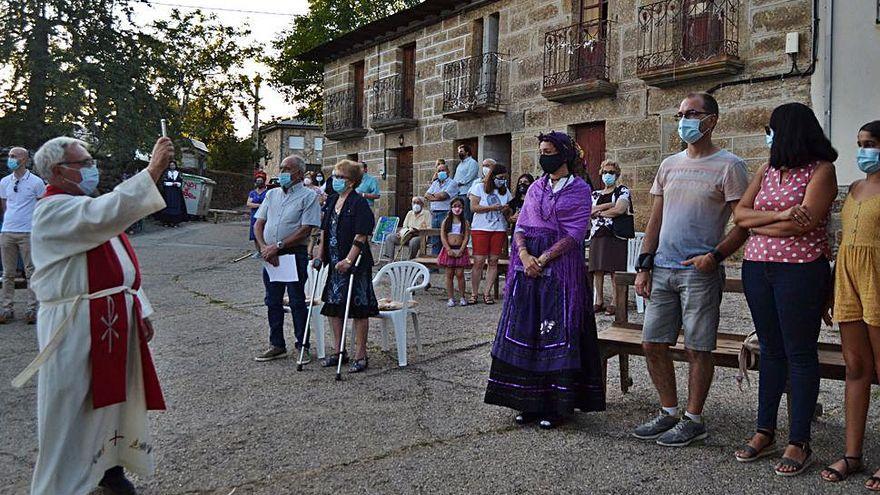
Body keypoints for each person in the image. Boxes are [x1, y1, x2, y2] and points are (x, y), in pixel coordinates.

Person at [22, 136, 173, 495]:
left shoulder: (83, 206)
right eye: (84, 162)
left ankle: (108, 468)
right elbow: (106, 212)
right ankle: (62, 485)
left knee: (113, 400)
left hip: (109, 316)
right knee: (74, 405)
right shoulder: (54, 210)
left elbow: (120, 269)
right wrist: (151, 172)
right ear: (59, 171)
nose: (92, 168)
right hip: (74, 324)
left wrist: (141, 308)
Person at [632, 92, 750, 447]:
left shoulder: (730, 165)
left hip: (699, 272)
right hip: (663, 268)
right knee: (652, 343)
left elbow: (742, 223)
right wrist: (644, 263)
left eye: (692, 113)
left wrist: (714, 256)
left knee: (698, 348)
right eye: (681, 113)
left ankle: (693, 418)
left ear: (711, 120)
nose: (684, 120)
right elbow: (655, 217)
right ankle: (668, 411)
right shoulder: (669, 164)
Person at [731, 103, 838, 476]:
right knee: (771, 350)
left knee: (800, 353)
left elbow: (804, 226)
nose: (767, 134)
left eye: (771, 128)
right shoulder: (766, 170)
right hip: (758, 269)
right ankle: (765, 431)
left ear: (789, 131)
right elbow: (739, 216)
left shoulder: (821, 171)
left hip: (800, 272)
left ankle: (799, 440)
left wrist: (760, 225)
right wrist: (778, 217)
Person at [484, 130, 605, 429]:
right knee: (528, 331)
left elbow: (575, 233)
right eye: (541, 150)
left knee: (555, 331)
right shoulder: (536, 187)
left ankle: (557, 406)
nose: (544, 156)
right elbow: (522, 224)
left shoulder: (579, 189)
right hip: (528, 269)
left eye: (549, 151)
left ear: (563, 155)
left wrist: (544, 258)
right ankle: (527, 401)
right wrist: (524, 255)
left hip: (561, 269)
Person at [820, 120, 880, 488]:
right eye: (860, 142)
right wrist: (830, 290)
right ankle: (852, 454)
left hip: (877, 279)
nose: (863, 150)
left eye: (870, 143)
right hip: (849, 279)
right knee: (855, 366)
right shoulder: (855, 187)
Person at [252, 155, 321, 363]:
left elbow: (306, 229)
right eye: (281, 168)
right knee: (272, 300)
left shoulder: (308, 196)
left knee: (297, 300)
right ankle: (277, 344)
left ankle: (303, 345)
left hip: (293, 254)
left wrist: (278, 246)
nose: (282, 172)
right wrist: (265, 248)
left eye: (286, 169)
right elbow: (258, 224)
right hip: (270, 255)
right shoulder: (272, 194)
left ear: (299, 173)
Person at [314, 160, 379, 373]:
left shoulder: (358, 203)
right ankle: (339, 350)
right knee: (334, 307)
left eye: (339, 176)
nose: (335, 179)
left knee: (359, 309)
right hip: (334, 263)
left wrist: (349, 260)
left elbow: (361, 235)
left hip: (355, 265)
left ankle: (361, 354)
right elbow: (324, 230)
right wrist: (319, 254)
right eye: (334, 175)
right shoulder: (332, 200)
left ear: (350, 182)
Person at [1, 147, 45, 324]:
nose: (11, 159)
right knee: (7, 273)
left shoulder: (36, 182)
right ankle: (6, 309)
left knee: (31, 272)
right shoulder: (4, 182)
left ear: (25, 160)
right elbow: (5, 206)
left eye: (15, 156)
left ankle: (31, 309)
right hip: (7, 231)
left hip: (28, 232)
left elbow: (42, 206)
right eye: (10, 156)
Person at [589, 160, 632, 316]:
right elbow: (588, 210)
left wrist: (599, 212)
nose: (608, 175)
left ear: (617, 174)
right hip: (597, 234)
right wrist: (608, 205)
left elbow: (620, 209)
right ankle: (598, 301)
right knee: (597, 269)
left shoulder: (623, 190)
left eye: (612, 172)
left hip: (615, 234)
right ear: (601, 173)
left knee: (615, 269)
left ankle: (615, 301)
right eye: (605, 172)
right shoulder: (595, 194)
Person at [468, 160, 511, 305]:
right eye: (500, 177)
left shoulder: (505, 191)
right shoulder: (479, 187)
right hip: (481, 228)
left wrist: (507, 212)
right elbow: (473, 207)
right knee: (479, 261)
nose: (502, 180)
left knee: (493, 261)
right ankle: (474, 293)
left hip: (498, 228)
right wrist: (491, 208)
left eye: (504, 178)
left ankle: (487, 293)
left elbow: (508, 210)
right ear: (493, 177)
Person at [438, 197, 471, 307]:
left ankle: (462, 296)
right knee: (449, 274)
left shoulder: (464, 222)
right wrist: (448, 249)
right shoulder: (446, 221)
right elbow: (443, 236)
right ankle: (450, 298)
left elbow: (466, 236)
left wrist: (462, 249)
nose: (457, 209)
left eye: (459, 206)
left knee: (460, 274)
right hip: (449, 250)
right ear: (451, 207)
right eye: (455, 206)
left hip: (459, 249)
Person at [381, 196, 430, 260]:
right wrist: (401, 233)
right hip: (406, 235)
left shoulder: (427, 213)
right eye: (414, 203)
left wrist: (416, 230)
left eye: (418, 203)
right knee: (390, 237)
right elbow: (404, 226)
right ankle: (390, 259)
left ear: (422, 204)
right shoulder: (410, 213)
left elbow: (429, 227)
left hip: (419, 236)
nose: (416, 205)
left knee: (413, 241)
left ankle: (410, 260)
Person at [424, 160, 457, 255]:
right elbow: (426, 195)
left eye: (443, 170)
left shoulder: (452, 183)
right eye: (439, 171)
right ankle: (435, 264)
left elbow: (444, 196)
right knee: (435, 239)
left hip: (446, 213)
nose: (441, 172)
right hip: (434, 214)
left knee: (446, 239)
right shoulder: (435, 183)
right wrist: (436, 196)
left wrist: (433, 196)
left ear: (448, 171)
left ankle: (446, 262)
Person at [156, 160, 186, 227]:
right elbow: (163, 182)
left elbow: (181, 182)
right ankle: (166, 222)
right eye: (171, 165)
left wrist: (177, 184)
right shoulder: (166, 173)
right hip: (167, 192)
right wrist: (171, 183)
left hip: (176, 193)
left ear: (175, 166)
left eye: (173, 165)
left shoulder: (178, 173)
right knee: (167, 206)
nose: (172, 166)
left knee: (176, 207)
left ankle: (175, 222)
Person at [453, 146, 479, 221]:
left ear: (467, 152)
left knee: (467, 213)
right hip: (459, 192)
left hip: (466, 192)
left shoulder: (472, 162)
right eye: (459, 151)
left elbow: (470, 175)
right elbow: (456, 177)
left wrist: (460, 183)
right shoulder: (460, 164)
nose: (459, 153)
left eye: (461, 151)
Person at [247, 171, 269, 253]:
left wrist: (255, 204)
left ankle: (264, 249)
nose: (259, 182)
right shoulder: (252, 193)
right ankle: (258, 251)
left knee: (263, 232)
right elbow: (248, 203)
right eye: (257, 181)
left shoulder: (267, 193)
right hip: (254, 215)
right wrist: (260, 206)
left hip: (264, 215)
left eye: (261, 181)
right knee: (254, 233)